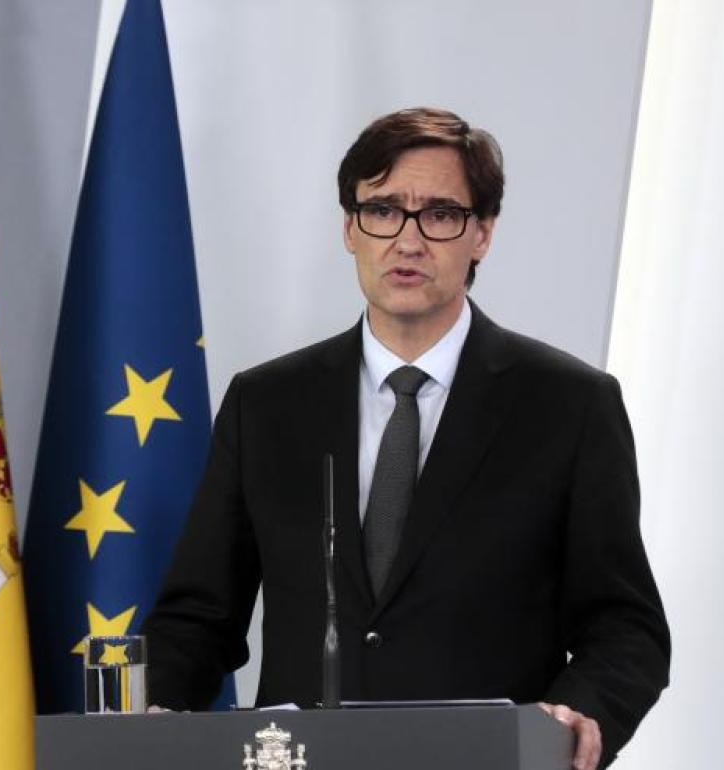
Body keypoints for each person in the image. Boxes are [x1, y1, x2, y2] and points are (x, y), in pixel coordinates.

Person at [141, 107, 670, 770]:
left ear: (482, 233)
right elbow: (198, 616)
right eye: (383, 210)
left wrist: (576, 714)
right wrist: (153, 711)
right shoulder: (267, 403)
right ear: (349, 228)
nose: (408, 240)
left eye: (440, 215)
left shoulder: (570, 405)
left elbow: (626, 627)